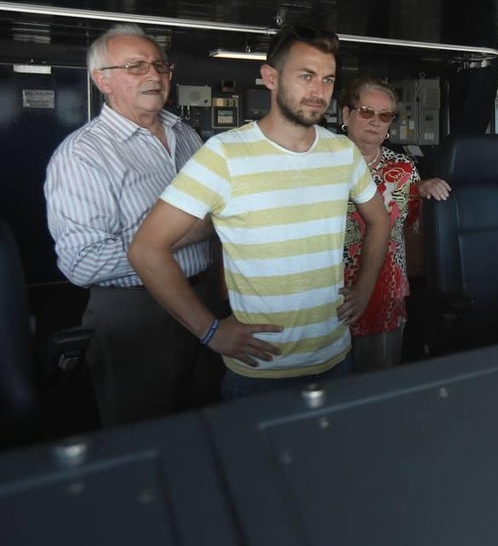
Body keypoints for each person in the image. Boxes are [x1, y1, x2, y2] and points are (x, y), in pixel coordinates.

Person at [128, 25, 390, 400]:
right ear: (271, 77)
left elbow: (380, 219)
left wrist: (363, 290)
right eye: (306, 76)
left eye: (328, 79)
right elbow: (146, 249)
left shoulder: (342, 153)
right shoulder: (224, 155)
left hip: (335, 358)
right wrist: (211, 331)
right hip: (259, 371)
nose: (319, 92)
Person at [44, 23, 222, 426]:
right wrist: (183, 236)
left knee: (207, 422)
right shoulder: (82, 156)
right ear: (101, 80)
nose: (154, 76)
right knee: (144, 432)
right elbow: (83, 263)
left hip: (203, 295)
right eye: (136, 66)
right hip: (137, 312)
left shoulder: (186, 135)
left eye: (160, 65)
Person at [339, 75, 451, 371]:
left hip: (385, 291)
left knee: (378, 385)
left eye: (384, 115)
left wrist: (423, 189)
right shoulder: (321, 163)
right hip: (331, 291)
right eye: (366, 112)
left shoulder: (403, 169)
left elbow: (414, 226)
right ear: (346, 115)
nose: (376, 122)